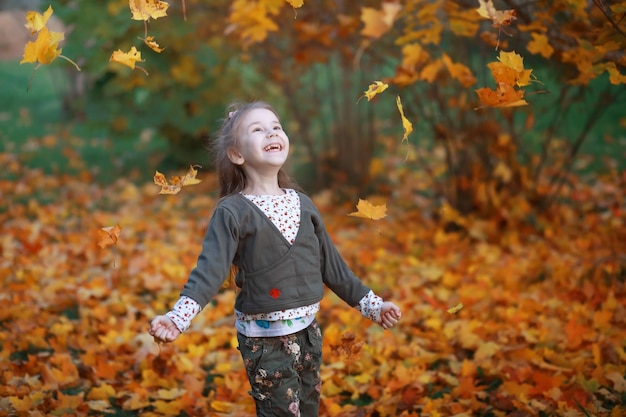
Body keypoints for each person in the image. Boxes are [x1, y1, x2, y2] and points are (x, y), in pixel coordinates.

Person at [149, 101, 402, 417]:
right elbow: (209, 271)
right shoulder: (233, 212)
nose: (271, 132)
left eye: (276, 126)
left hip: (309, 334)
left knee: (307, 409)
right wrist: (177, 318)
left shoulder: (303, 204)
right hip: (264, 341)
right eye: (257, 129)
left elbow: (333, 267)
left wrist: (374, 306)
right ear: (237, 154)